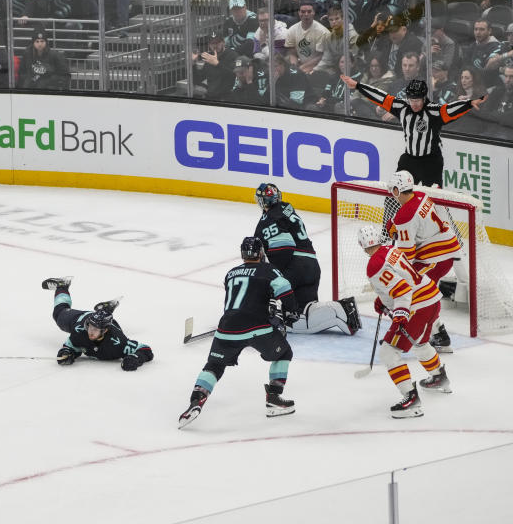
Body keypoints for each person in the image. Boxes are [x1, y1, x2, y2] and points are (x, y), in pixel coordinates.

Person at [177, 237, 298, 427]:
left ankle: (196, 400)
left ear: (243, 254)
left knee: (214, 365)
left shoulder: (230, 273)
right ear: (260, 253)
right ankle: (274, 398)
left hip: (226, 328)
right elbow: (285, 290)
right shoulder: (269, 270)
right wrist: (290, 313)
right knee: (284, 353)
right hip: (256, 327)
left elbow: (245, 296)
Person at [356, 225, 452, 418]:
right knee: (420, 342)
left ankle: (411, 399)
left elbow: (402, 291)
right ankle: (439, 377)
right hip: (432, 298)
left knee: (389, 352)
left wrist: (400, 313)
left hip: (417, 306)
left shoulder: (374, 264)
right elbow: (403, 279)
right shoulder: (391, 249)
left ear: (362, 245)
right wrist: (383, 299)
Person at [340, 74, 487, 187]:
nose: (414, 104)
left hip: (432, 161)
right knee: (396, 195)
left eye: (417, 100)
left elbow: (449, 110)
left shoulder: (433, 112)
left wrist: (468, 104)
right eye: (411, 100)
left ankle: (437, 226)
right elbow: (381, 97)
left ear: (424, 98)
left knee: (433, 200)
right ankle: (389, 227)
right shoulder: (402, 107)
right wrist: (358, 86)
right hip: (409, 160)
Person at [254, 183, 360, 335]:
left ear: (263, 201)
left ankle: (261, 317)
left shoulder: (268, 220)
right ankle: (341, 310)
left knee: (268, 289)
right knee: (301, 317)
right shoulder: (287, 208)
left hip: (295, 267)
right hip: (311, 266)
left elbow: (284, 247)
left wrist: (274, 278)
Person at [385, 170, 463, 353]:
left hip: (435, 259)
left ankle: (437, 336)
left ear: (397, 190)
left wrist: (393, 270)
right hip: (443, 253)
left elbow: (407, 256)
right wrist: (395, 224)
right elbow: (406, 217)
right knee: (417, 291)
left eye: (393, 190)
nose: (392, 194)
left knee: (415, 292)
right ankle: (435, 332)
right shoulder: (420, 195)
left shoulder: (406, 216)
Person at [41, 276, 153, 371]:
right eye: (90, 327)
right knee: (58, 313)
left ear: (105, 330)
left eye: (95, 330)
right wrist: (66, 353)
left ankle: (106, 310)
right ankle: (62, 286)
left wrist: (136, 358)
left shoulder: (119, 342)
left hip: (109, 325)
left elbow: (145, 350)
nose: (90, 332)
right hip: (79, 319)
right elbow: (71, 346)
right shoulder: (80, 331)